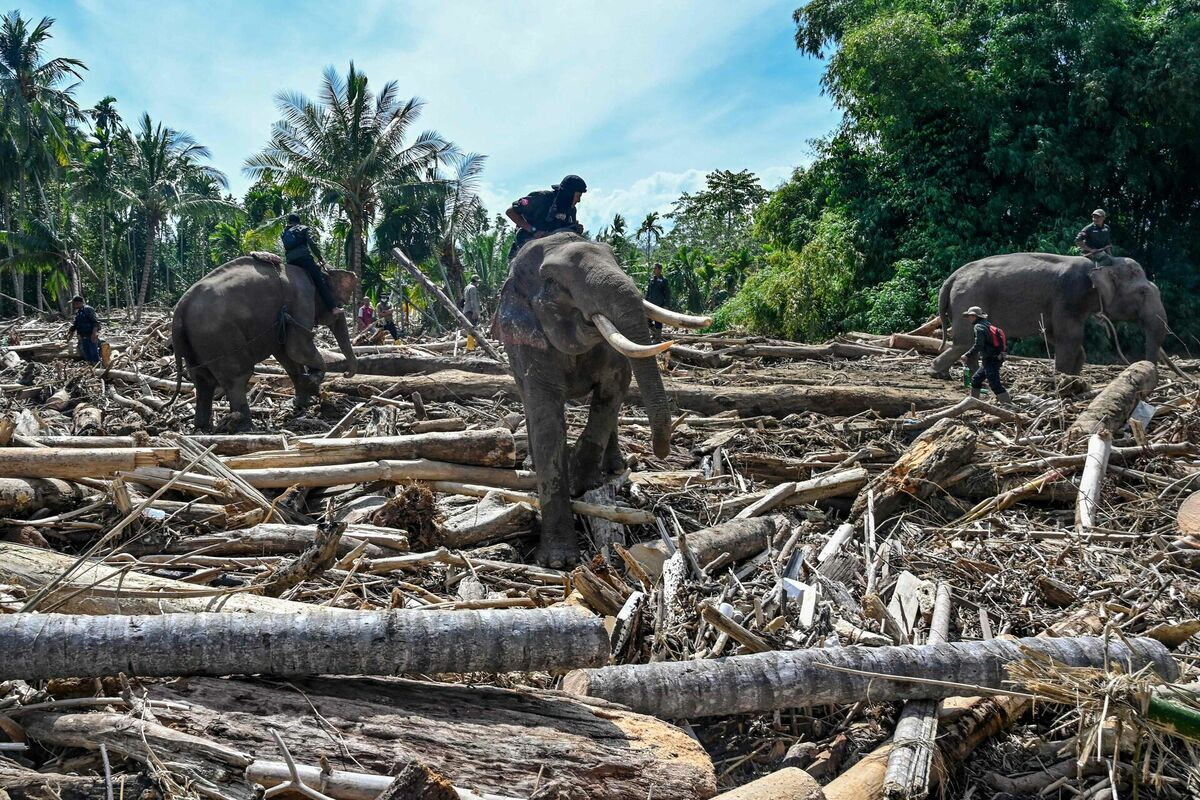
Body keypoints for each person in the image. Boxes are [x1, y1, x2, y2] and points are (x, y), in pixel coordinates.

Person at [505, 174, 587, 261]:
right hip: (524, 252)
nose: (579, 200)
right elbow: (510, 212)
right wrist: (533, 230)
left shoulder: (571, 210)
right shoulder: (541, 198)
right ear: (569, 193)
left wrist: (576, 230)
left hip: (551, 255)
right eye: (578, 196)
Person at [281, 213, 342, 315]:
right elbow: (312, 244)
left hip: (290, 261)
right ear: (298, 221)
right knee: (319, 280)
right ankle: (333, 308)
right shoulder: (303, 228)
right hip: (304, 259)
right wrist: (320, 258)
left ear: (289, 222)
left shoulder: (284, 232)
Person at [961, 306, 1011, 404]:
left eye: (970, 316)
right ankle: (973, 402)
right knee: (976, 380)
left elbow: (979, 344)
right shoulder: (987, 324)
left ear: (974, 316)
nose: (969, 318)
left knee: (994, 384)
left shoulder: (978, 327)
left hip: (991, 359)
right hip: (993, 358)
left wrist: (967, 355)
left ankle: (1008, 405)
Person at [64, 295, 101, 365]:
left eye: (74, 303)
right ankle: (91, 366)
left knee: (93, 352)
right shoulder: (79, 312)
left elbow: (95, 322)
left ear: (78, 303)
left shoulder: (88, 309)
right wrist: (70, 332)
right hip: (83, 335)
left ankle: (97, 366)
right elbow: (76, 324)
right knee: (87, 352)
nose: (73, 305)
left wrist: (94, 333)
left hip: (90, 334)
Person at [645, 262, 671, 339]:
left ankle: (658, 337)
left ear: (660, 270)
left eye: (655, 268)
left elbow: (667, 294)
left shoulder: (664, 281)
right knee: (646, 321)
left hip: (659, 305)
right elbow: (648, 292)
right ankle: (655, 333)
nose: (654, 270)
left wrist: (666, 305)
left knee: (658, 322)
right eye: (654, 268)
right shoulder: (651, 280)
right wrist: (645, 302)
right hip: (650, 304)